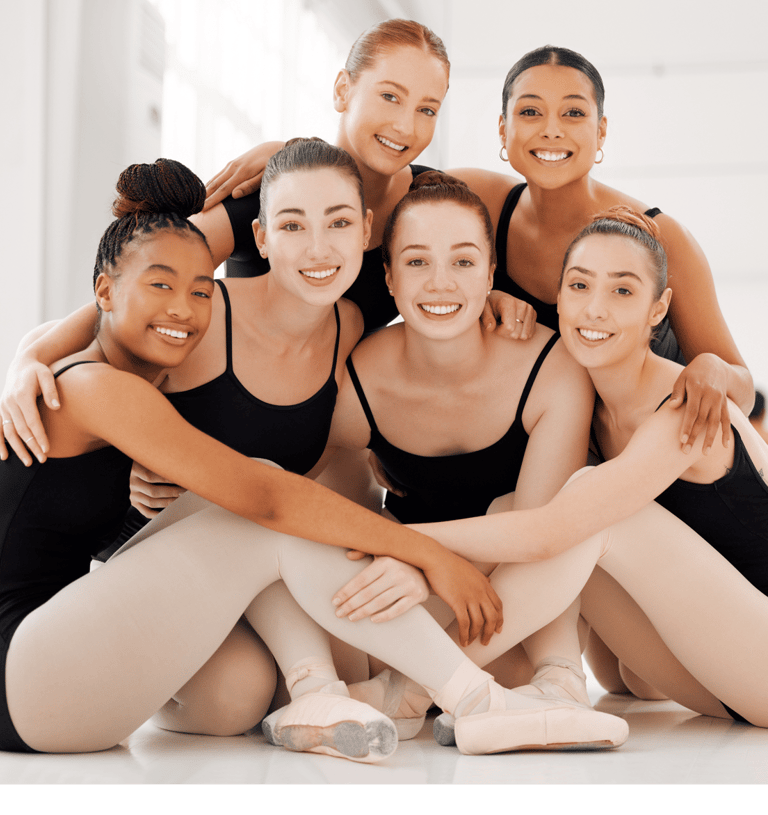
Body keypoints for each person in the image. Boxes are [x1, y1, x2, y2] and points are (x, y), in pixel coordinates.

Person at [0, 155, 633, 760]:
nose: (182, 310)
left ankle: (326, 701)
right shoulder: (91, 387)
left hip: (55, 669)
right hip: (21, 671)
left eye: (200, 291)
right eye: (160, 285)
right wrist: (430, 555)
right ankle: (475, 699)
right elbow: (266, 499)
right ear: (104, 291)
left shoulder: (137, 379)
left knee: (238, 694)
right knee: (263, 497)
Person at [393, 207, 768, 734]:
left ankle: (411, 687)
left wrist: (400, 542)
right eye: (579, 285)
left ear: (658, 309)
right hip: (716, 680)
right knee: (515, 506)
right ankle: (550, 683)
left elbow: (551, 532)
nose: (595, 309)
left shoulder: (686, 403)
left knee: (590, 514)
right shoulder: (588, 409)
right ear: (560, 297)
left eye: (622, 291)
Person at [317, 172, 596, 737]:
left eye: (464, 262)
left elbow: (538, 535)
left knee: (517, 520)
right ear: (389, 277)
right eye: (417, 262)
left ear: (491, 275)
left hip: (525, 604)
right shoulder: (358, 381)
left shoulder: (551, 368)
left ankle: (423, 689)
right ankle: (438, 687)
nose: (440, 283)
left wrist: (418, 556)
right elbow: (314, 505)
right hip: (414, 589)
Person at [449, 45, 753, 456]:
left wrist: (714, 370)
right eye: (530, 111)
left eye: (573, 113)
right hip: (542, 452)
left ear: (601, 131)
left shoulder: (662, 236)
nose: (551, 130)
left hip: (665, 451)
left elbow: (743, 389)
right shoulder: (476, 202)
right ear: (503, 129)